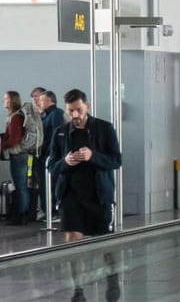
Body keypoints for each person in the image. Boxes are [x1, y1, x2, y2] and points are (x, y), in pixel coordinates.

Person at [46, 89, 121, 244]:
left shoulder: (105, 128)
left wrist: (93, 156)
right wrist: (65, 162)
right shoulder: (60, 133)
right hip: (70, 194)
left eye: (78, 110)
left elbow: (116, 160)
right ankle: (74, 268)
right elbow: (52, 166)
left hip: (97, 195)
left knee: (102, 244)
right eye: (70, 111)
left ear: (87, 106)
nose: (75, 115)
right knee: (72, 237)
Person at [1, 91, 40, 225]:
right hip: (22, 155)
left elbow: (14, 139)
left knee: (21, 186)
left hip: (19, 155)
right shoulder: (13, 116)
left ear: (12, 100)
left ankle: (22, 215)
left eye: (6, 98)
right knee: (22, 185)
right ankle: (23, 214)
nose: (3, 101)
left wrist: (3, 146)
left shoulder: (16, 117)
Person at [32, 88, 61, 222]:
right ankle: (47, 210)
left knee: (50, 185)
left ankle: (53, 212)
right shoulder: (45, 115)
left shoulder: (56, 114)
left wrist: (52, 153)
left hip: (49, 156)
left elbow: (57, 134)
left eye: (42, 100)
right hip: (42, 156)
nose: (39, 103)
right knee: (43, 185)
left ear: (50, 100)